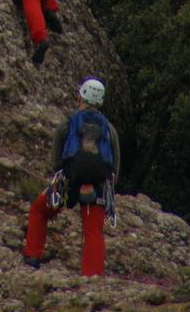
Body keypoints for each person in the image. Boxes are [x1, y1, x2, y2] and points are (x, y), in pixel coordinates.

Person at [23, 77, 120, 276]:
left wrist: (59, 179)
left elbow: (56, 159)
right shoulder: (109, 130)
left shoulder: (68, 124)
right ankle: (92, 276)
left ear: (81, 96)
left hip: (68, 183)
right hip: (98, 187)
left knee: (39, 211)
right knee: (93, 231)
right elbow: (115, 166)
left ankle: (32, 257)